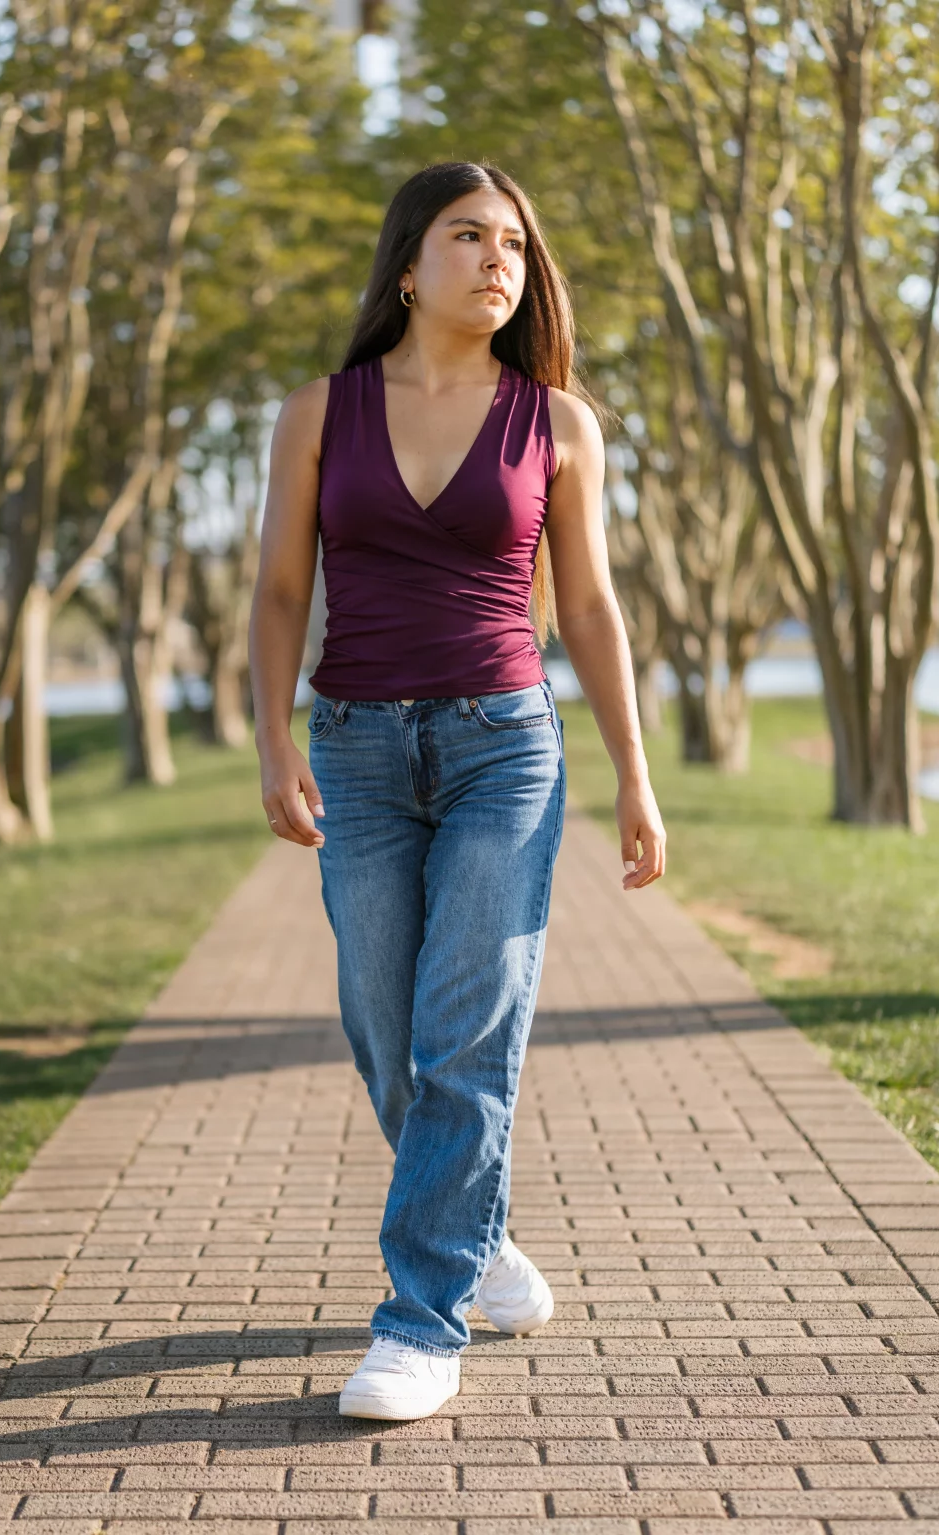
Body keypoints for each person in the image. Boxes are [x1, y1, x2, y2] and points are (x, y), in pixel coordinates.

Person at [248, 161, 666, 1422]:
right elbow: (277, 590)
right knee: (387, 1031)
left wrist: (634, 775)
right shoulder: (319, 411)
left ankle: (420, 1322)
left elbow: (587, 607)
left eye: (516, 246)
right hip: (360, 751)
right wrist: (275, 741)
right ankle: (480, 1240)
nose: (499, 260)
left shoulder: (559, 423)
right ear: (406, 263)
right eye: (468, 235)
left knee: (466, 1034)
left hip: (504, 747)